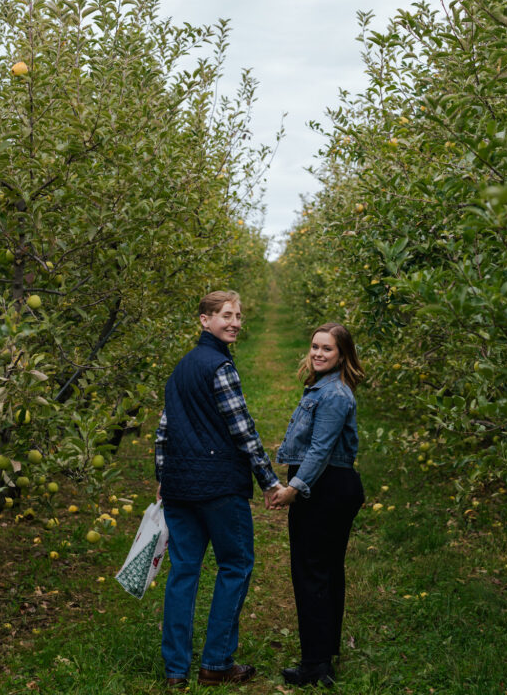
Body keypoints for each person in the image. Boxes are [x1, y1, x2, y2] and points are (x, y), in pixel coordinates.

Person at [155, 290, 282, 689]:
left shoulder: (181, 368)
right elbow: (242, 429)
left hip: (180, 486)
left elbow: (163, 431)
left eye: (239, 315)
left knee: (184, 572)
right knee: (235, 565)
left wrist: (164, 476)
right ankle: (216, 663)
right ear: (204, 320)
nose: (235, 322)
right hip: (219, 487)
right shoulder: (219, 367)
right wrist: (268, 479)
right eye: (226, 315)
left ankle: (176, 669)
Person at [270, 322, 365, 689]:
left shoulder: (335, 395)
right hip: (327, 485)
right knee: (323, 571)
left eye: (327, 349)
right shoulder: (321, 388)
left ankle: (315, 664)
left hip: (327, 487)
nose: (318, 353)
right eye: (314, 347)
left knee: (312, 572)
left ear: (342, 355)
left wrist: (295, 487)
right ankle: (322, 658)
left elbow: (321, 449)